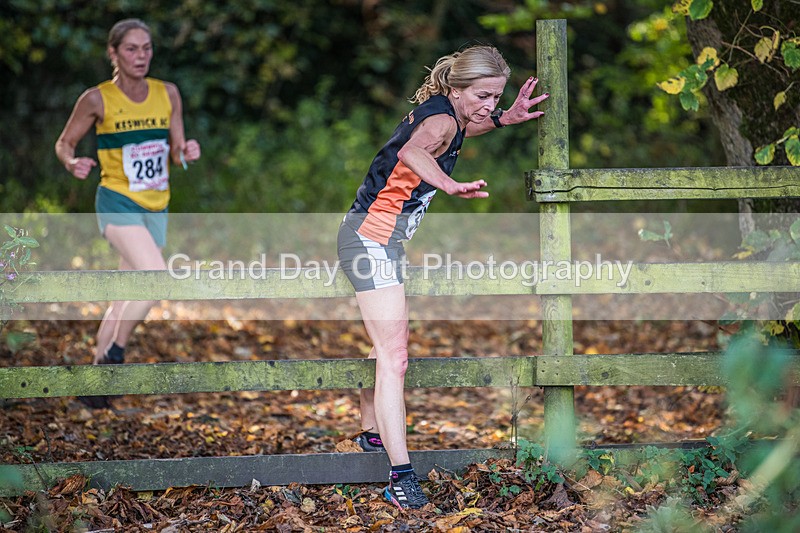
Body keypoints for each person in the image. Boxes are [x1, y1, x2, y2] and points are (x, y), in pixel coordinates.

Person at [337, 45, 549, 509]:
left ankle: (373, 434)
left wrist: (504, 119)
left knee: (383, 347)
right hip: (369, 240)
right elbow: (416, 151)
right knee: (397, 358)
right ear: (457, 89)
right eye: (484, 96)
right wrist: (449, 184)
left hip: (380, 240)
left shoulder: (449, 113)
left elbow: (462, 126)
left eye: (496, 96)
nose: (489, 104)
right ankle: (400, 475)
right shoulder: (440, 122)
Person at [55, 19, 201, 409]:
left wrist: (186, 152)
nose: (141, 56)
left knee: (124, 294)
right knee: (155, 277)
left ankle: (94, 388)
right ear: (114, 53)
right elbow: (64, 143)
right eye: (132, 49)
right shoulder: (96, 99)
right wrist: (72, 163)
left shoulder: (167, 93)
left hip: (157, 205)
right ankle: (115, 354)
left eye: (147, 48)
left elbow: (175, 147)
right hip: (117, 201)